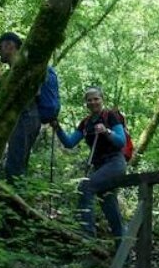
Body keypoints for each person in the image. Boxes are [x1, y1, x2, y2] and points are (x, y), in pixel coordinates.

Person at [50, 87, 127, 239]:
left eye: (96, 98)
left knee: (86, 186)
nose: (93, 102)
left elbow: (121, 141)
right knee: (109, 205)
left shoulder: (110, 116)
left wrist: (106, 131)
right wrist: (57, 127)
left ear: (102, 99)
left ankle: (87, 237)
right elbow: (70, 143)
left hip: (114, 163)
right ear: (86, 103)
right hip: (99, 166)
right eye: (89, 100)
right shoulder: (85, 123)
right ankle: (123, 246)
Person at [0, 32, 60, 180]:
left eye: (1, 47)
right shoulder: (19, 67)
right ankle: (16, 191)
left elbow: (32, 93)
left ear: (10, 46)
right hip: (31, 117)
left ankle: (13, 197)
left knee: (16, 163)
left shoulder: (24, 67)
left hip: (26, 116)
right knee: (19, 161)